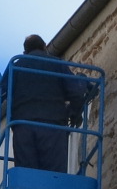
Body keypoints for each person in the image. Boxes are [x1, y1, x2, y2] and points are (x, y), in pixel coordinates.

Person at [9, 34, 94, 173]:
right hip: (52, 128)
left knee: (26, 177)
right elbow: (76, 92)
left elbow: (0, 92)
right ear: (45, 47)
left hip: (22, 129)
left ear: (25, 52)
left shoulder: (16, 66)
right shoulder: (57, 64)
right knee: (53, 176)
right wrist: (75, 113)